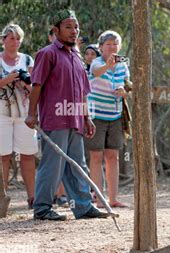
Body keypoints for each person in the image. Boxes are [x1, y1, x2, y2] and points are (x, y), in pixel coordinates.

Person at [24, 9, 109, 221]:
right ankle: (42, 209)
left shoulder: (77, 57)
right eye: (68, 27)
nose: (74, 31)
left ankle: (83, 207)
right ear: (56, 30)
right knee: (53, 165)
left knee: (78, 165)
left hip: (75, 118)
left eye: (76, 27)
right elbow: (37, 85)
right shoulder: (48, 53)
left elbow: (82, 91)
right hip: (55, 118)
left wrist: (87, 117)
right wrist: (31, 114)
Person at [85, 30, 129, 208]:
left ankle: (113, 198)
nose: (112, 47)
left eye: (115, 44)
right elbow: (95, 73)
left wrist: (124, 91)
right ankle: (99, 198)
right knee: (96, 156)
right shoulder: (96, 62)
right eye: (108, 44)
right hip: (97, 115)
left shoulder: (123, 64)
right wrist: (107, 66)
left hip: (116, 114)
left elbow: (127, 84)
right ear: (101, 47)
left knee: (113, 156)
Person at [0, 23, 37, 209]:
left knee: (28, 154)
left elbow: (36, 87)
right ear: (3, 40)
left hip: (24, 114)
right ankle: (2, 198)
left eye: (18, 38)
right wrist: (6, 81)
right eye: (11, 38)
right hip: (2, 115)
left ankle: (33, 198)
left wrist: (25, 85)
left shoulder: (28, 60)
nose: (15, 42)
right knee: (3, 156)